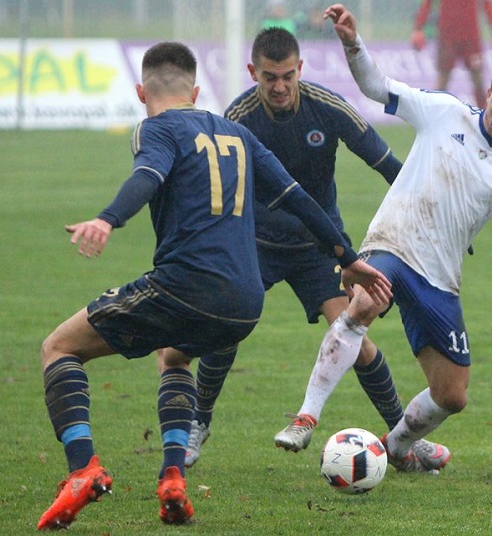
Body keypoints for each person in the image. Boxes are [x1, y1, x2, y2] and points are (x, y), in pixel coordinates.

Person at [35, 41, 391, 530]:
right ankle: (173, 478)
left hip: (184, 285)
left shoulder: (155, 128)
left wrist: (108, 218)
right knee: (175, 357)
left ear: (141, 92)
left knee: (58, 347)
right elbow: (299, 199)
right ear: (197, 91)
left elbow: (148, 175)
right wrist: (348, 258)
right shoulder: (238, 132)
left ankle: (82, 470)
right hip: (244, 301)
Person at [273, 4, 492, 475]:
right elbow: (376, 87)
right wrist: (352, 43)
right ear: (487, 94)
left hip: (440, 276)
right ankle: (306, 417)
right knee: (363, 304)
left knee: (452, 395)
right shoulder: (444, 112)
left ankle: (395, 447)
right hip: (392, 244)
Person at [184, 27, 449, 467]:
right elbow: (221, 190)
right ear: (253, 72)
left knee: (356, 338)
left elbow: (386, 164)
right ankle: (199, 422)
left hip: (320, 247)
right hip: (257, 245)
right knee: (227, 324)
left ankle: (404, 438)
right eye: (270, 77)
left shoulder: (327, 107)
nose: (280, 86)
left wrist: (432, 212)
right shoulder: (238, 118)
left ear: (300, 69)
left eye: (288, 75)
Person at [411, 0, 492, 107]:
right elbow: (428, 3)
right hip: (448, 36)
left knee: (477, 78)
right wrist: (418, 27)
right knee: (443, 77)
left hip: (470, 36)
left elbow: (487, 3)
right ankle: (433, 110)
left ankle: (483, 113)